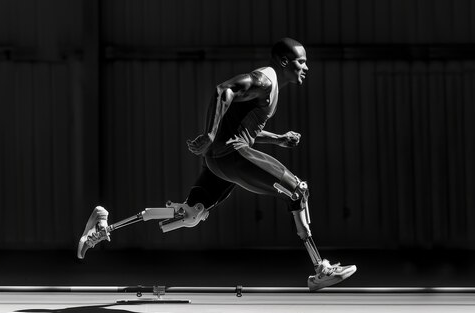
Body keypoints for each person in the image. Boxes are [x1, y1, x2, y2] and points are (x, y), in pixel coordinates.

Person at [79, 38, 356, 291]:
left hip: (219, 161)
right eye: (301, 61)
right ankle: (320, 269)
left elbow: (245, 129)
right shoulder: (265, 80)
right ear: (285, 62)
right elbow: (224, 90)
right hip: (230, 155)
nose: (306, 66)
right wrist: (210, 134)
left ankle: (104, 225)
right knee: (297, 190)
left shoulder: (270, 89)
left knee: (190, 215)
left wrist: (278, 139)